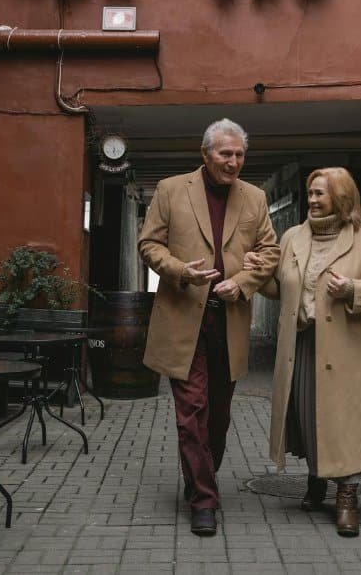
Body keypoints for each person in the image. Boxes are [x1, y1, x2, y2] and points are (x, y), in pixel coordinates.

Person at [137, 118, 280, 537]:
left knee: (217, 416)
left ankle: (199, 475)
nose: (233, 162)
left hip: (230, 320)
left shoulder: (254, 198)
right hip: (184, 319)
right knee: (191, 412)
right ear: (205, 155)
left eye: (239, 155)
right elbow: (149, 244)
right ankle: (204, 498)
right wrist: (181, 270)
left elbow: (269, 250)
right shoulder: (170, 190)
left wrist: (245, 281)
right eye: (225, 154)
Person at [245, 167, 361, 537]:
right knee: (308, 416)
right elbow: (284, 289)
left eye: (319, 194)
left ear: (341, 198)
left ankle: (347, 497)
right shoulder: (294, 237)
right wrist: (258, 275)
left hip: (349, 350)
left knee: (343, 422)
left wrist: (355, 290)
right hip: (302, 343)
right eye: (310, 193)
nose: (312, 200)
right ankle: (317, 478)